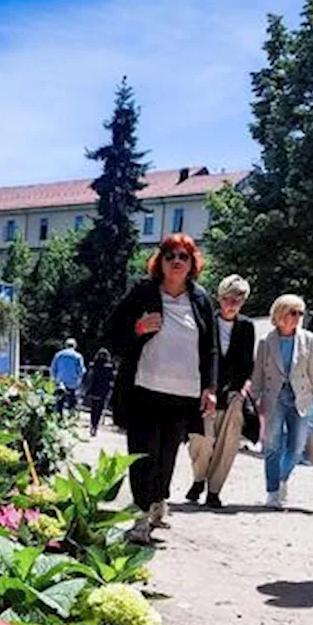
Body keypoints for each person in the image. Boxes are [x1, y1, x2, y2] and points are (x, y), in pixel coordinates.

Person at [106, 233, 218, 544]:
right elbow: (112, 331)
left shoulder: (201, 299)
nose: (177, 262)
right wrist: (137, 329)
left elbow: (210, 348)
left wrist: (210, 387)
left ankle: (158, 501)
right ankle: (141, 515)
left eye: (184, 256)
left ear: (192, 262)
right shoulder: (143, 292)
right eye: (171, 256)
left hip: (184, 394)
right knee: (143, 453)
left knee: (167, 454)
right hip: (144, 388)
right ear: (161, 262)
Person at [186, 274, 255, 508]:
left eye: (238, 299)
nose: (232, 304)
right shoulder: (207, 322)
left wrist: (242, 390)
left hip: (233, 394)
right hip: (205, 391)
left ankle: (214, 490)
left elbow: (248, 364)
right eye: (228, 298)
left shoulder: (247, 327)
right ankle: (198, 478)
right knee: (201, 440)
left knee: (228, 444)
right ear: (220, 297)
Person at [251, 294, 313, 509]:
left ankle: (282, 480)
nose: (298, 317)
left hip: (301, 396)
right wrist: (254, 397)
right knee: (272, 446)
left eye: (301, 313)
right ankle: (272, 492)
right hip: (274, 398)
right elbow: (258, 374)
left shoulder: (308, 339)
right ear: (281, 314)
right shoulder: (266, 342)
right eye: (294, 312)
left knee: (297, 447)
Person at [84, 348, 117, 437]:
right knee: (100, 408)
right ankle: (95, 425)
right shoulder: (109, 367)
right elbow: (112, 380)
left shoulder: (93, 365)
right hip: (104, 390)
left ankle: (93, 424)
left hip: (94, 389)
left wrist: (87, 389)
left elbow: (89, 377)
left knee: (94, 408)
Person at [49, 338, 86, 416]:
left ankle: (59, 418)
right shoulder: (77, 356)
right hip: (72, 383)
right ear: (75, 346)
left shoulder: (58, 355)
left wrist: (54, 379)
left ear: (65, 345)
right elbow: (81, 370)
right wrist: (79, 380)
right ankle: (71, 417)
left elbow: (53, 368)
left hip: (60, 381)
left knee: (59, 401)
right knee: (71, 401)